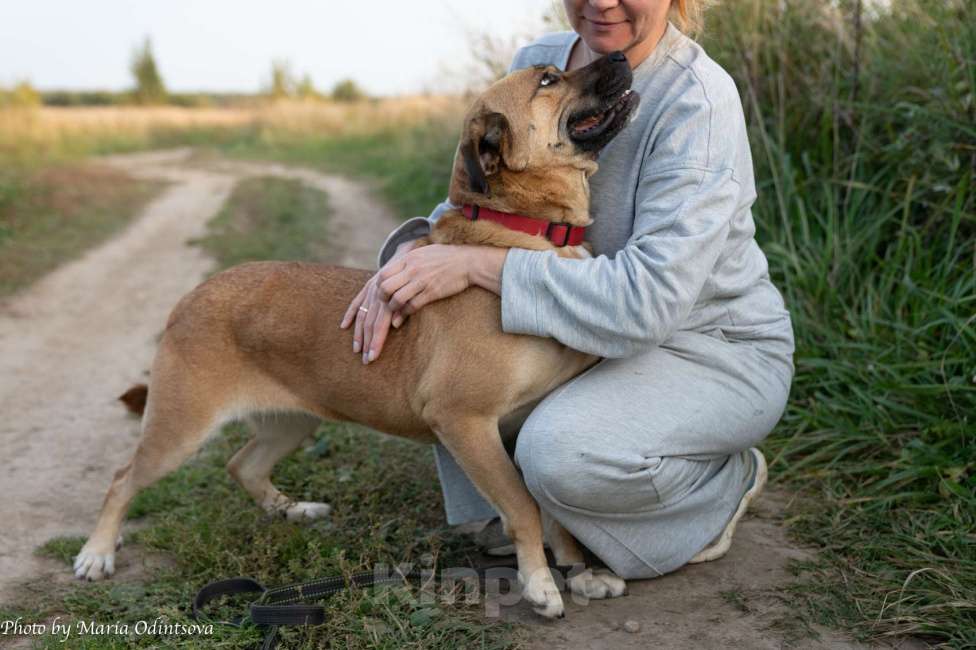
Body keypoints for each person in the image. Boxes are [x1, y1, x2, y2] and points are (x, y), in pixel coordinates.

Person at [340, 0, 795, 579]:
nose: (601, 2)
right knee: (469, 356)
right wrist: (413, 256)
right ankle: (545, 503)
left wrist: (481, 267)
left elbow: (648, 302)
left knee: (559, 455)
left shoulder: (697, 103)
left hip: (705, 344)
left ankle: (717, 484)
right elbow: (488, 191)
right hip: (591, 329)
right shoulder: (539, 61)